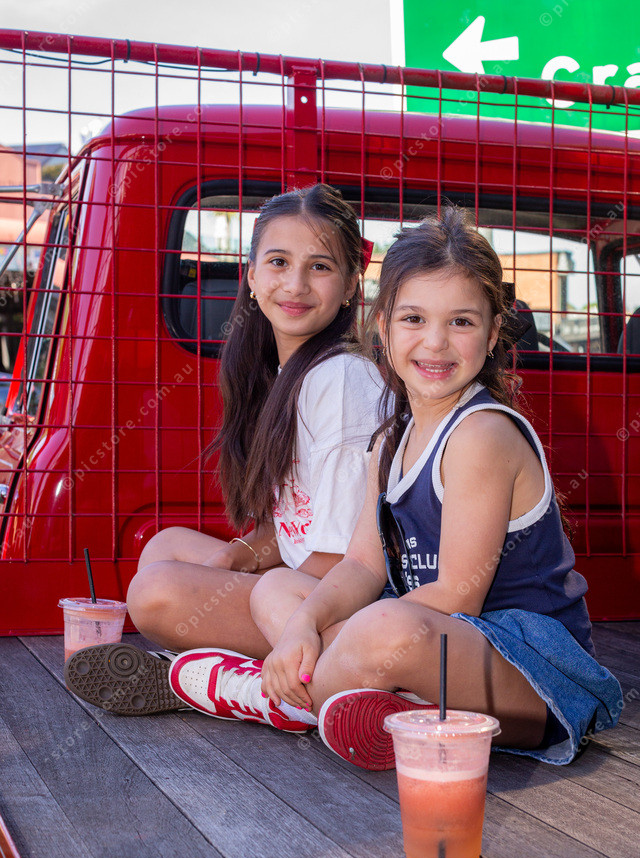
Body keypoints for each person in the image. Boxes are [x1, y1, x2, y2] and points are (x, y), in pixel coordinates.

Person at [67, 208, 623, 766]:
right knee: (278, 591)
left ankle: (249, 692)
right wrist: (305, 625)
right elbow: (360, 565)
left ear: (493, 332)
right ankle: (365, 699)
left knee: (383, 626)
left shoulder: (481, 433)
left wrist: (332, 635)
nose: (435, 343)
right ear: (382, 326)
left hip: (530, 670)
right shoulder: (391, 440)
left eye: (461, 322)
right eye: (413, 318)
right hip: (429, 646)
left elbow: (458, 597)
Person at [64, 183, 384, 732]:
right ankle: (249, 670)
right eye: (278, 262)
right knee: (164, 546)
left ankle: (251, 686)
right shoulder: (282, 372)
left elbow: (341, 558)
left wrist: (248, 586)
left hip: (343, 602)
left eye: (320, 267)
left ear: (352, 283)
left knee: (155, 594)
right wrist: (241, 556)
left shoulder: (341, 379)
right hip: (301, 582)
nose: (295, 285)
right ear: (251, 274)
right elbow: (297, 523)